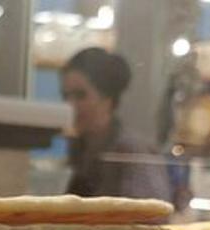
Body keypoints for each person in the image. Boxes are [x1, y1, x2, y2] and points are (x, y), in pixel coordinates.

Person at [61, 47, 173, 203]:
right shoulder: (81, 147)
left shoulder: (131, 152)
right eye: (66, 96)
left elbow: (151, 215)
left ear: (107, 99)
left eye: (81, 95)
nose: (70, 105)